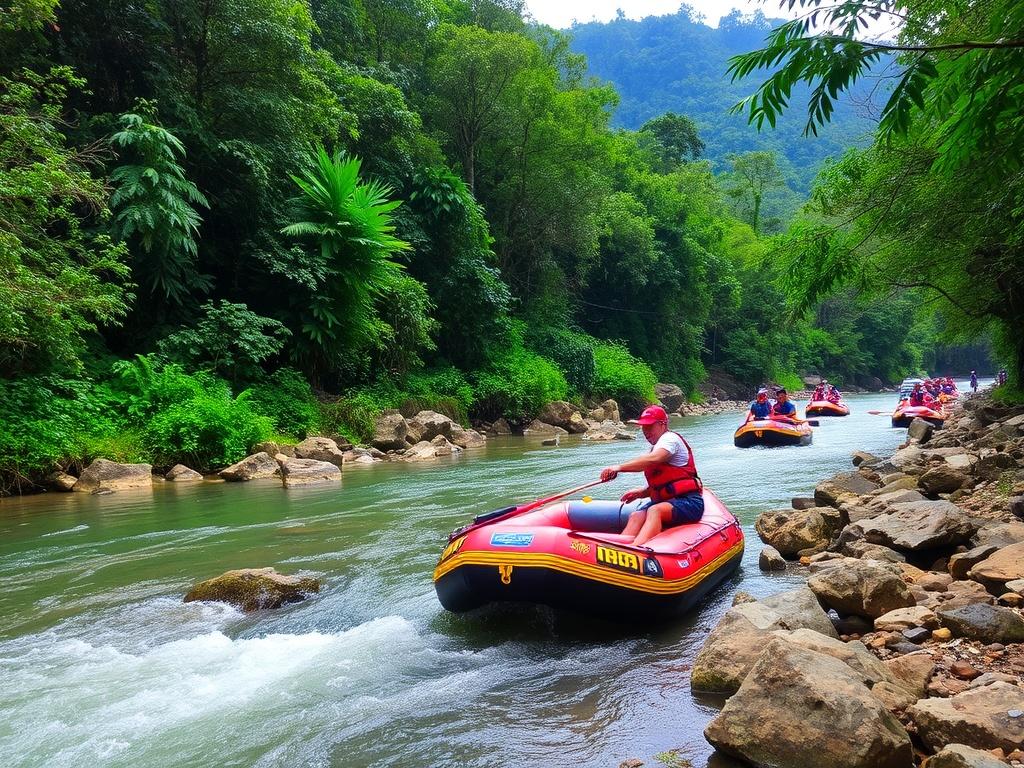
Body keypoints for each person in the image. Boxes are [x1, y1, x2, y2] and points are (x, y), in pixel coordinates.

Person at [599, 405, 704, 546]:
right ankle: (619, 548)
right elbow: (664, 485)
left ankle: (636, 549)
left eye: (649, 426)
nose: (645, 432)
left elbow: (654, 459)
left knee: (655, 510)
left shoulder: (670, 439)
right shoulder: (657, 446)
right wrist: (641, 493)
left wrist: (618, 468)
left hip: (690, 502)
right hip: (668, 502)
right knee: (636, 515)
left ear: (662, 424)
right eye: (643, 427)